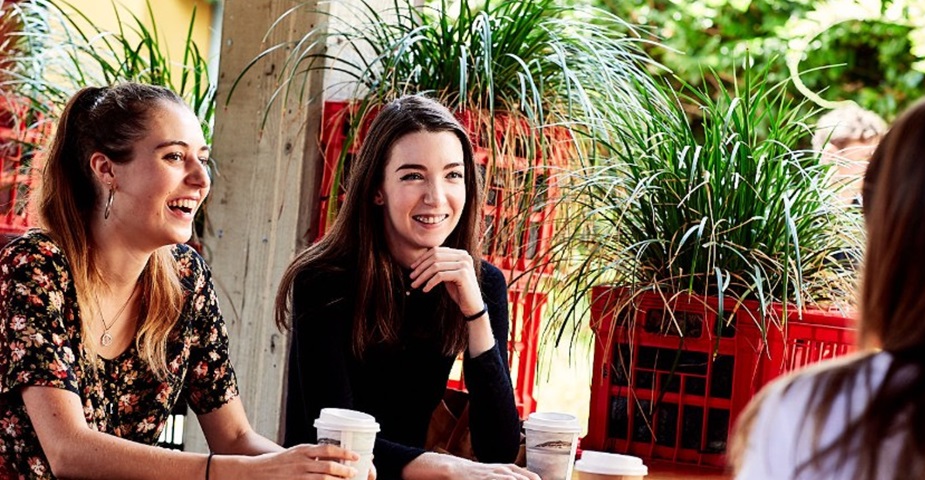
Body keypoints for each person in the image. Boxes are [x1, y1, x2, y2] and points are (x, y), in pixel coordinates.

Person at [0, 83, 367, 479]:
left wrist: (315, 469)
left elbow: (236, 439)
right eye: (174, 156)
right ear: (106, 169)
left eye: (203, 159)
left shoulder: (185, 279)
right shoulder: (35, 266)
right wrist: (243, 472)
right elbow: (69, 450)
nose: (201, 179)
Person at [276, 95, 536, 480]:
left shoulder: (481, 283)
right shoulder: (323, 279)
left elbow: (497, 446)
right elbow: (337, 443)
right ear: (377, 189)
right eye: (413, 175)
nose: (436, 197)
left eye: (452, 175)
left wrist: (475, 314)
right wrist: (447, 468)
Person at [731, 85, 925, 479]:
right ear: (828, 152)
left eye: (872, 161)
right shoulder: (791, 220)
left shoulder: (810, 414)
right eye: (857, 155)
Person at [812, 103, 887, 205]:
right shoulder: (791, 211)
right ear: (831, 155)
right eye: (868, 158)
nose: (878, 167)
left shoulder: (877, 209)